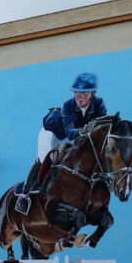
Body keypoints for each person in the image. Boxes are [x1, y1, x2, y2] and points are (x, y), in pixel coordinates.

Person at [15, 73, 107, 214]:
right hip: (53, 133)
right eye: (77, 92)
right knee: (44, 158)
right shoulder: (68, 105)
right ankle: (25, 196)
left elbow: (101, 131)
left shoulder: (99, 104)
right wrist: (86, 130)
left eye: (84, 93)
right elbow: (70, 134)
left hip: (75, 136)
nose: (79, 96)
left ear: (93, 93)